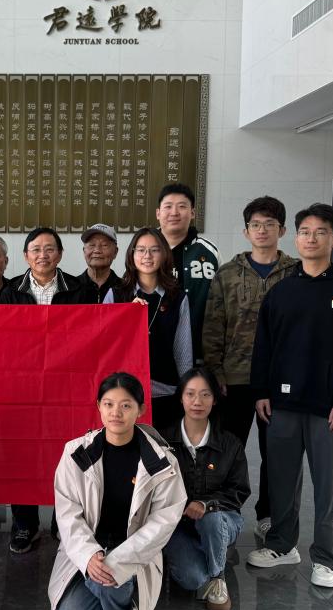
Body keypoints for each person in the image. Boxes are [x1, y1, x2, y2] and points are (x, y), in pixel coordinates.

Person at [248, 203, 333, 589]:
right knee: (281, 481)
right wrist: (261, 391)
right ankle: (282, 544)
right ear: (296, 238)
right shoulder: (282, 291)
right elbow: (264, 346)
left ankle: (326, 558)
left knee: (329, 487)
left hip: (328, 409)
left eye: (320, 232)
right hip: (283, 405)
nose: (311, 238)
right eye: (305, 231)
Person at [49, 372, 186, 610]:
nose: (116, 413)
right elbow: (68, 514)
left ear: (141, 409)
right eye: (109, 404)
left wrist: (116, 561)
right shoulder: (76, 453)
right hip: (85, 556)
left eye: (126, 405)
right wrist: (89, 556)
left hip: (133, 555)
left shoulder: (162, 461)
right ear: (98, 406)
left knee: (110, 579)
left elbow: (162, 523)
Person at [202, 196, 297, 538]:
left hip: (280, 381)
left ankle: (268, 515)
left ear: (282, 230)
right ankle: (225, 514)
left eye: (270, 224)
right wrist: (216, 373)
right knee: (228, 452)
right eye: (255, 224)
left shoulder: (297, 273)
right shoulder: (227, 274)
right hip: (235, 380)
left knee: (277, 454)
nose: (262, 230)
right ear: (245, 231)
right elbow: (213, 328)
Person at [6, 227, 89, 553]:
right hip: (22, 387)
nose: (43, 255)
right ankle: (24, 523)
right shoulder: (11, 290)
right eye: (36, 249)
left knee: (67, 450)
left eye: (50, 249)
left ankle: (62, 520)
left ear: (60, 254)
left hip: (65, 385)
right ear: (26, 255)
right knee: (22, 452)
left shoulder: (79, 289)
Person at [162, 367, 250, 610]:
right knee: (193, 579)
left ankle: (218, 577)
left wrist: (205, 504)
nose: (197, 402)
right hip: (179, 526)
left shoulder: (230, 444)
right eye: (190, 394)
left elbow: (239, 491)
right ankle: (209, 558)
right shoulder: (163, 441)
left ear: (215, 399)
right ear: (181, 398)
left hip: (222, 519)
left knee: (211, 519)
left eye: (205, 394)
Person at [103, 228, 193, 432]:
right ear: (132, 254)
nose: (147, 256)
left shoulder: (177, 297)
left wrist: (187, 391)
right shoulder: (116, 294)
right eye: (141, 250)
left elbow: (183, 351)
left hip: (165, 391)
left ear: (164, 254)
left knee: (163, 448)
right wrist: (126, 315)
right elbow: (106, 345)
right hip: (124, 393)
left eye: (154, 250)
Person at [155, 184, 219, 361]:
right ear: (158, 213)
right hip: (153, 350)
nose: (174, 212)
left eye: (182, 206)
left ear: (192, 213)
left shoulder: (209, 252)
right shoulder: (143, 250)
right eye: (168, 206)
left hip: (199, 350)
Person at [76, 224, 121, 303]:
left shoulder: (126, 289)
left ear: (115, 252)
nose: (97, 250)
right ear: (84, 251)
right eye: (92, 245)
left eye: (104, 245)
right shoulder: (71, 288)